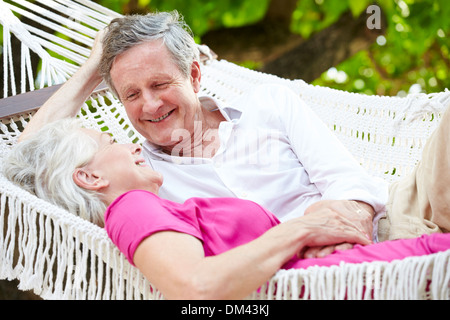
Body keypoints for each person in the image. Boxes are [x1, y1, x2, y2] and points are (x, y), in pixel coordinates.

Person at [18, 11, 449, 257]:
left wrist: (353, 217)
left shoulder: (270, 103)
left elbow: (342, 175)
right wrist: (94, 67)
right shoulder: (138, 177)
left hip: (391, 214)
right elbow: (23, 167)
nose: (149, 105)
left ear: (194, 74)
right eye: (131, 93)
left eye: (160, 84)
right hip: (312, 267)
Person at [4, 118, 449, 299]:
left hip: (348, 270)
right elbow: (196, 287)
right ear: (90, 178)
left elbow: (22, 163)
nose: (126, 143)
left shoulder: (154, 210)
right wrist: (304, 229)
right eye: (108, 143)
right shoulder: (129, 208)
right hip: (350, 280)